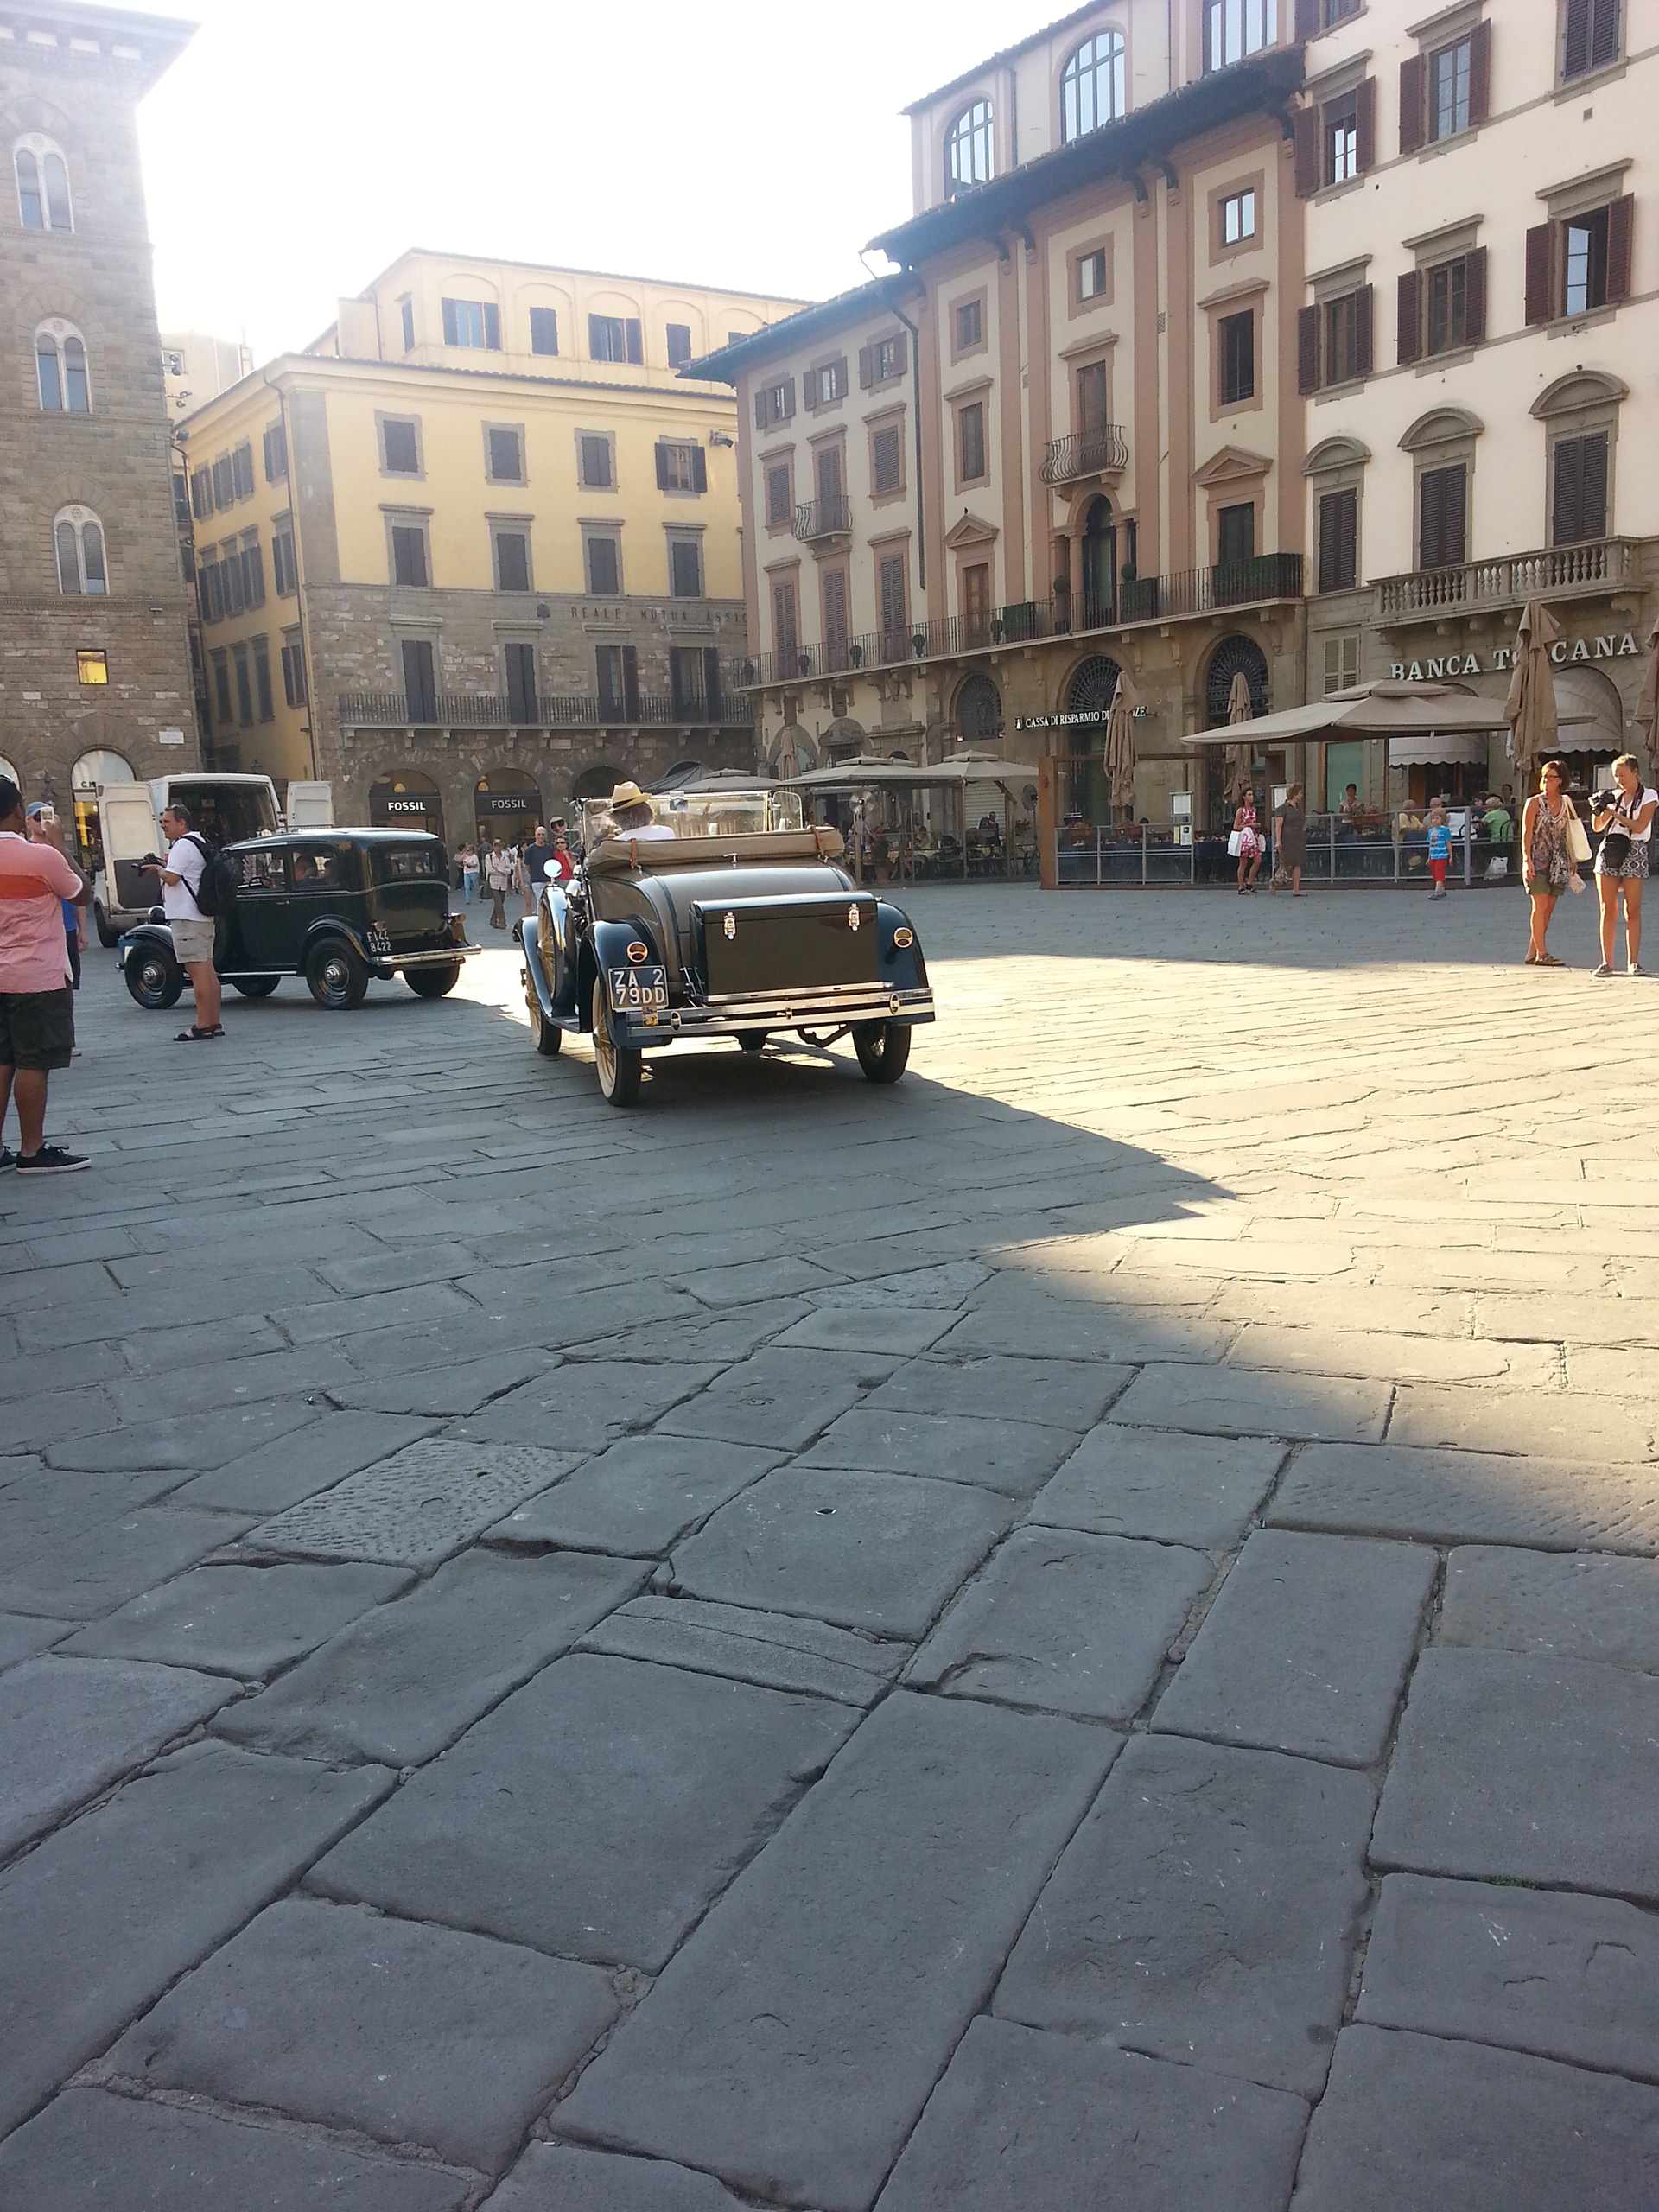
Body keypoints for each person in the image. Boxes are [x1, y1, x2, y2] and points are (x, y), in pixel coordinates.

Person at [0, 776, 91, 1173]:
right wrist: (58, 845)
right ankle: (31, 1150)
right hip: (37, 975)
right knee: (33, 1061)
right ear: (19, 810)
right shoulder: (41, 857)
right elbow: (82, 893)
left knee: (1, 1059)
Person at [143, 798, 224, 1039]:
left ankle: (202, 1025)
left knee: (197, 971)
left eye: (167, 822)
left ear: (181, 823)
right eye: (161, 822)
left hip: (187, 917)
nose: (163, 826)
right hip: (201, 915)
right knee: (207, 970)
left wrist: (157, 870)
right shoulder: (198, 842)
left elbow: (172, 878)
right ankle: (213, 1022)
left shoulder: (181, 846)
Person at [1591, 752, 1658, 978]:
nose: (1619, 780)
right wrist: (1599, 809)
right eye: (1616, 776)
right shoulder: (1614, 796)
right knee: (1607, 908)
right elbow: (1598, 827)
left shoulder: (1649, 796)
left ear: (1635, 772)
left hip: (1635, 850)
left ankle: (1634, 962)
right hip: (1610, 849)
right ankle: (1606, 962)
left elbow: (1640, 826)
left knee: (1632, 909)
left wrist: (1614, 813)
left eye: (1622, 775)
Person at [1520, 760, 1582, 968]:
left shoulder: (1566, 803)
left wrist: (1572, 858)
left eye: (1551, 777)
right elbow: (1526, 832)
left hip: (1559, 861)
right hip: (1537, 859)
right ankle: (1542, 953)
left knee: (1550, 906)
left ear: (1561, 780)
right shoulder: (1534, 802)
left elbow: (1570, 831)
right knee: (1540, 904)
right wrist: (1526, 859)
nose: (1546, 781)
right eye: (1545, 777)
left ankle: (1533, 951)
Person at [604, 780, 674, 842]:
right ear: (648, 811)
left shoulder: (616, 844)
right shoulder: (666, 833)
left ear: (617, 820)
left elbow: (594, 856)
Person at [1272, 783, 1306, 896]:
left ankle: (1296, 889)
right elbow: (1279, 826)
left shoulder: (1299, 809)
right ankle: (1275, 882)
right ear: (1294, 794)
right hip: (1287, 837)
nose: (1301, 795)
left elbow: (1303, 821)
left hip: (1298, 837)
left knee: (1297, 863)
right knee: (1285, 863)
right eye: (1300, 793)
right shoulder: (1283, 808)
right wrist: (1278, 841)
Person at [1233, 788, 1264, 893]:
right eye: (1249, 795)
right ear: (1244, 797)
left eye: (1252, 794)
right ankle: (1241, 886)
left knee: (1258, 860)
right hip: (1245, 839)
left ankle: (1250, 882)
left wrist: (1257, 826)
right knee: (1243, 862)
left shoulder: (1254, 810)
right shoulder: (1241, 811)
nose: (1252, 797)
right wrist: (1249, 825)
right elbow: (1236, 826)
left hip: (1253, 838)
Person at [482, 841, 515, 929]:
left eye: (499, 846)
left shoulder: (505, 858)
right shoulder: (489, 857)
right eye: (496, 846)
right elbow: (490, 870)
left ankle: (493, 920)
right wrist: (502, 870)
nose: (497, 848)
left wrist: (498, 869)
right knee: (498, 902)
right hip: (493, 883)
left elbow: (509, 871)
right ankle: (502, 922)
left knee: (501, 901)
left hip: (503, 883)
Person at [1427, 799, 1451, 900]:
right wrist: (1429, 857)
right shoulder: (1431, 831)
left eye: (1437, 818)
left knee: (1440, 873)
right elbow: (1430, 845)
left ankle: (1437, 891)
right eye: (1433, 818)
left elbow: (1448, 844)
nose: (1435, 820)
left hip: (1442, 855)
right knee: (1435, 873)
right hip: (1434, 855)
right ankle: (1442, 890)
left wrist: (1450, 856)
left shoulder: (1445, 830)